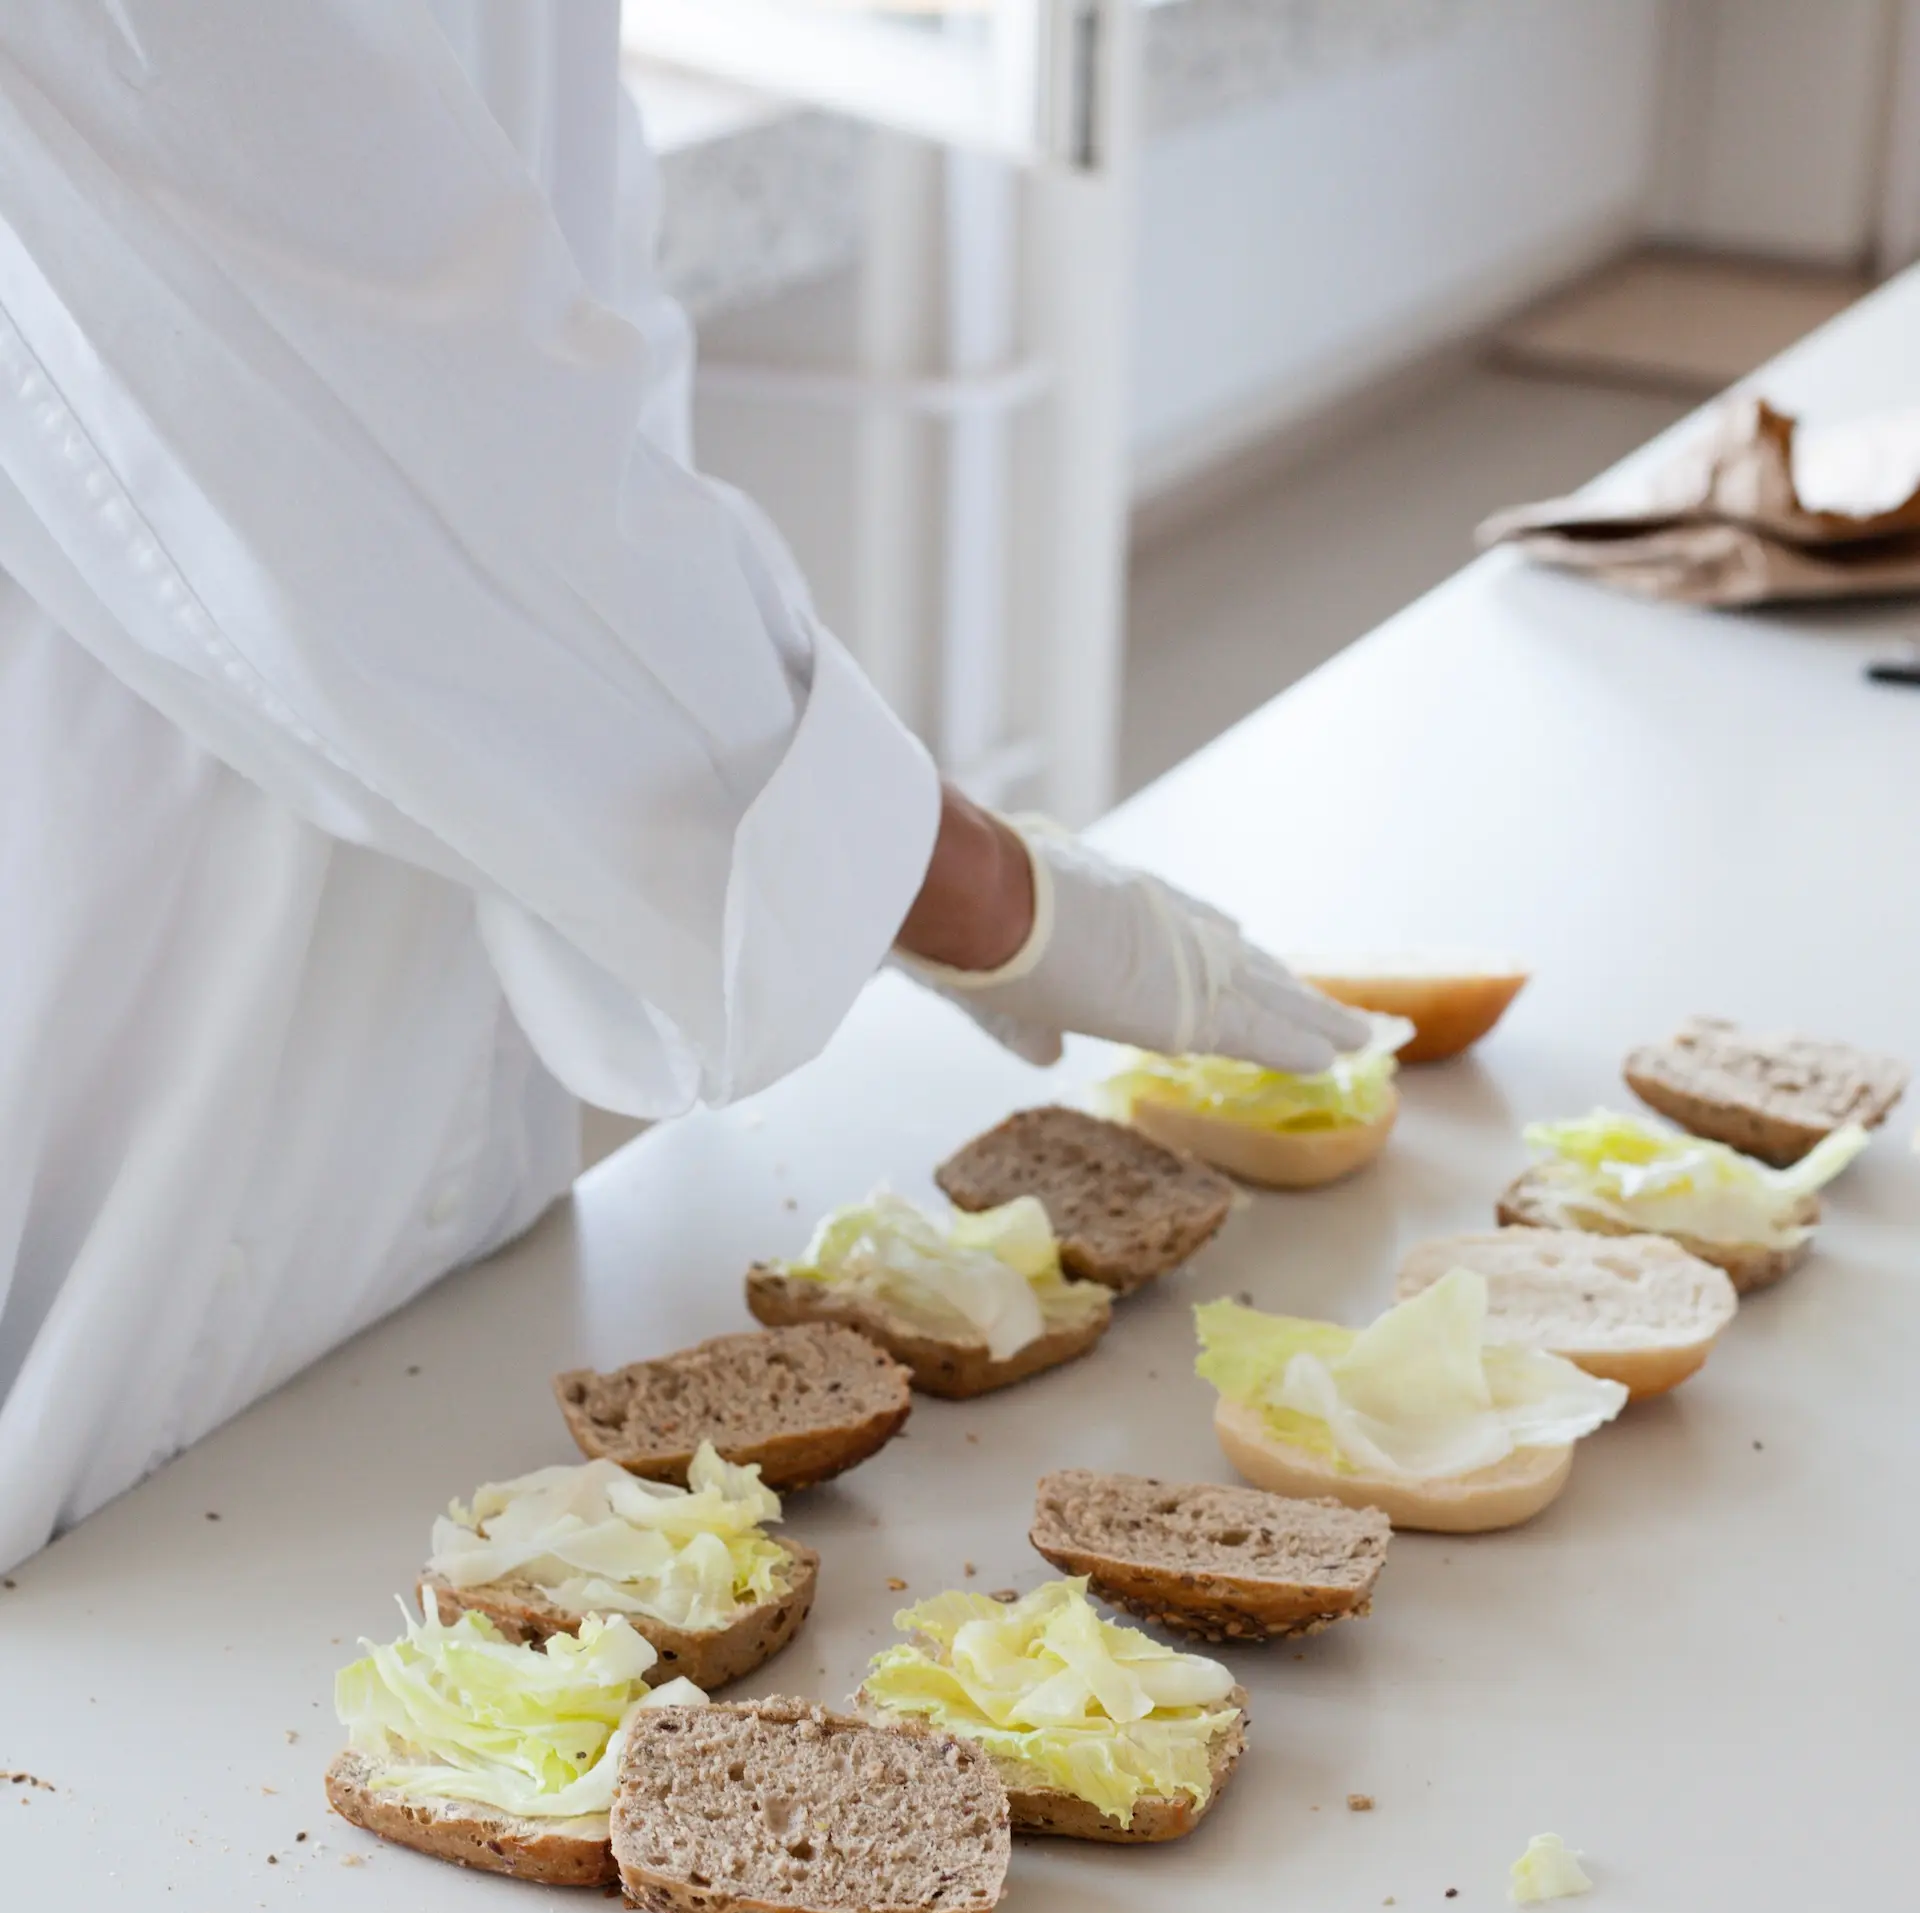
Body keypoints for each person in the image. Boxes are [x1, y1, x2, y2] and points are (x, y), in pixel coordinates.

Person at [0, 0, 1365, 1574]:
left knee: (366, 1456)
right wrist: (976, 886)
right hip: (118, 928)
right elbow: (378, 436)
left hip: (385, 1169)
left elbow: (543, 319)